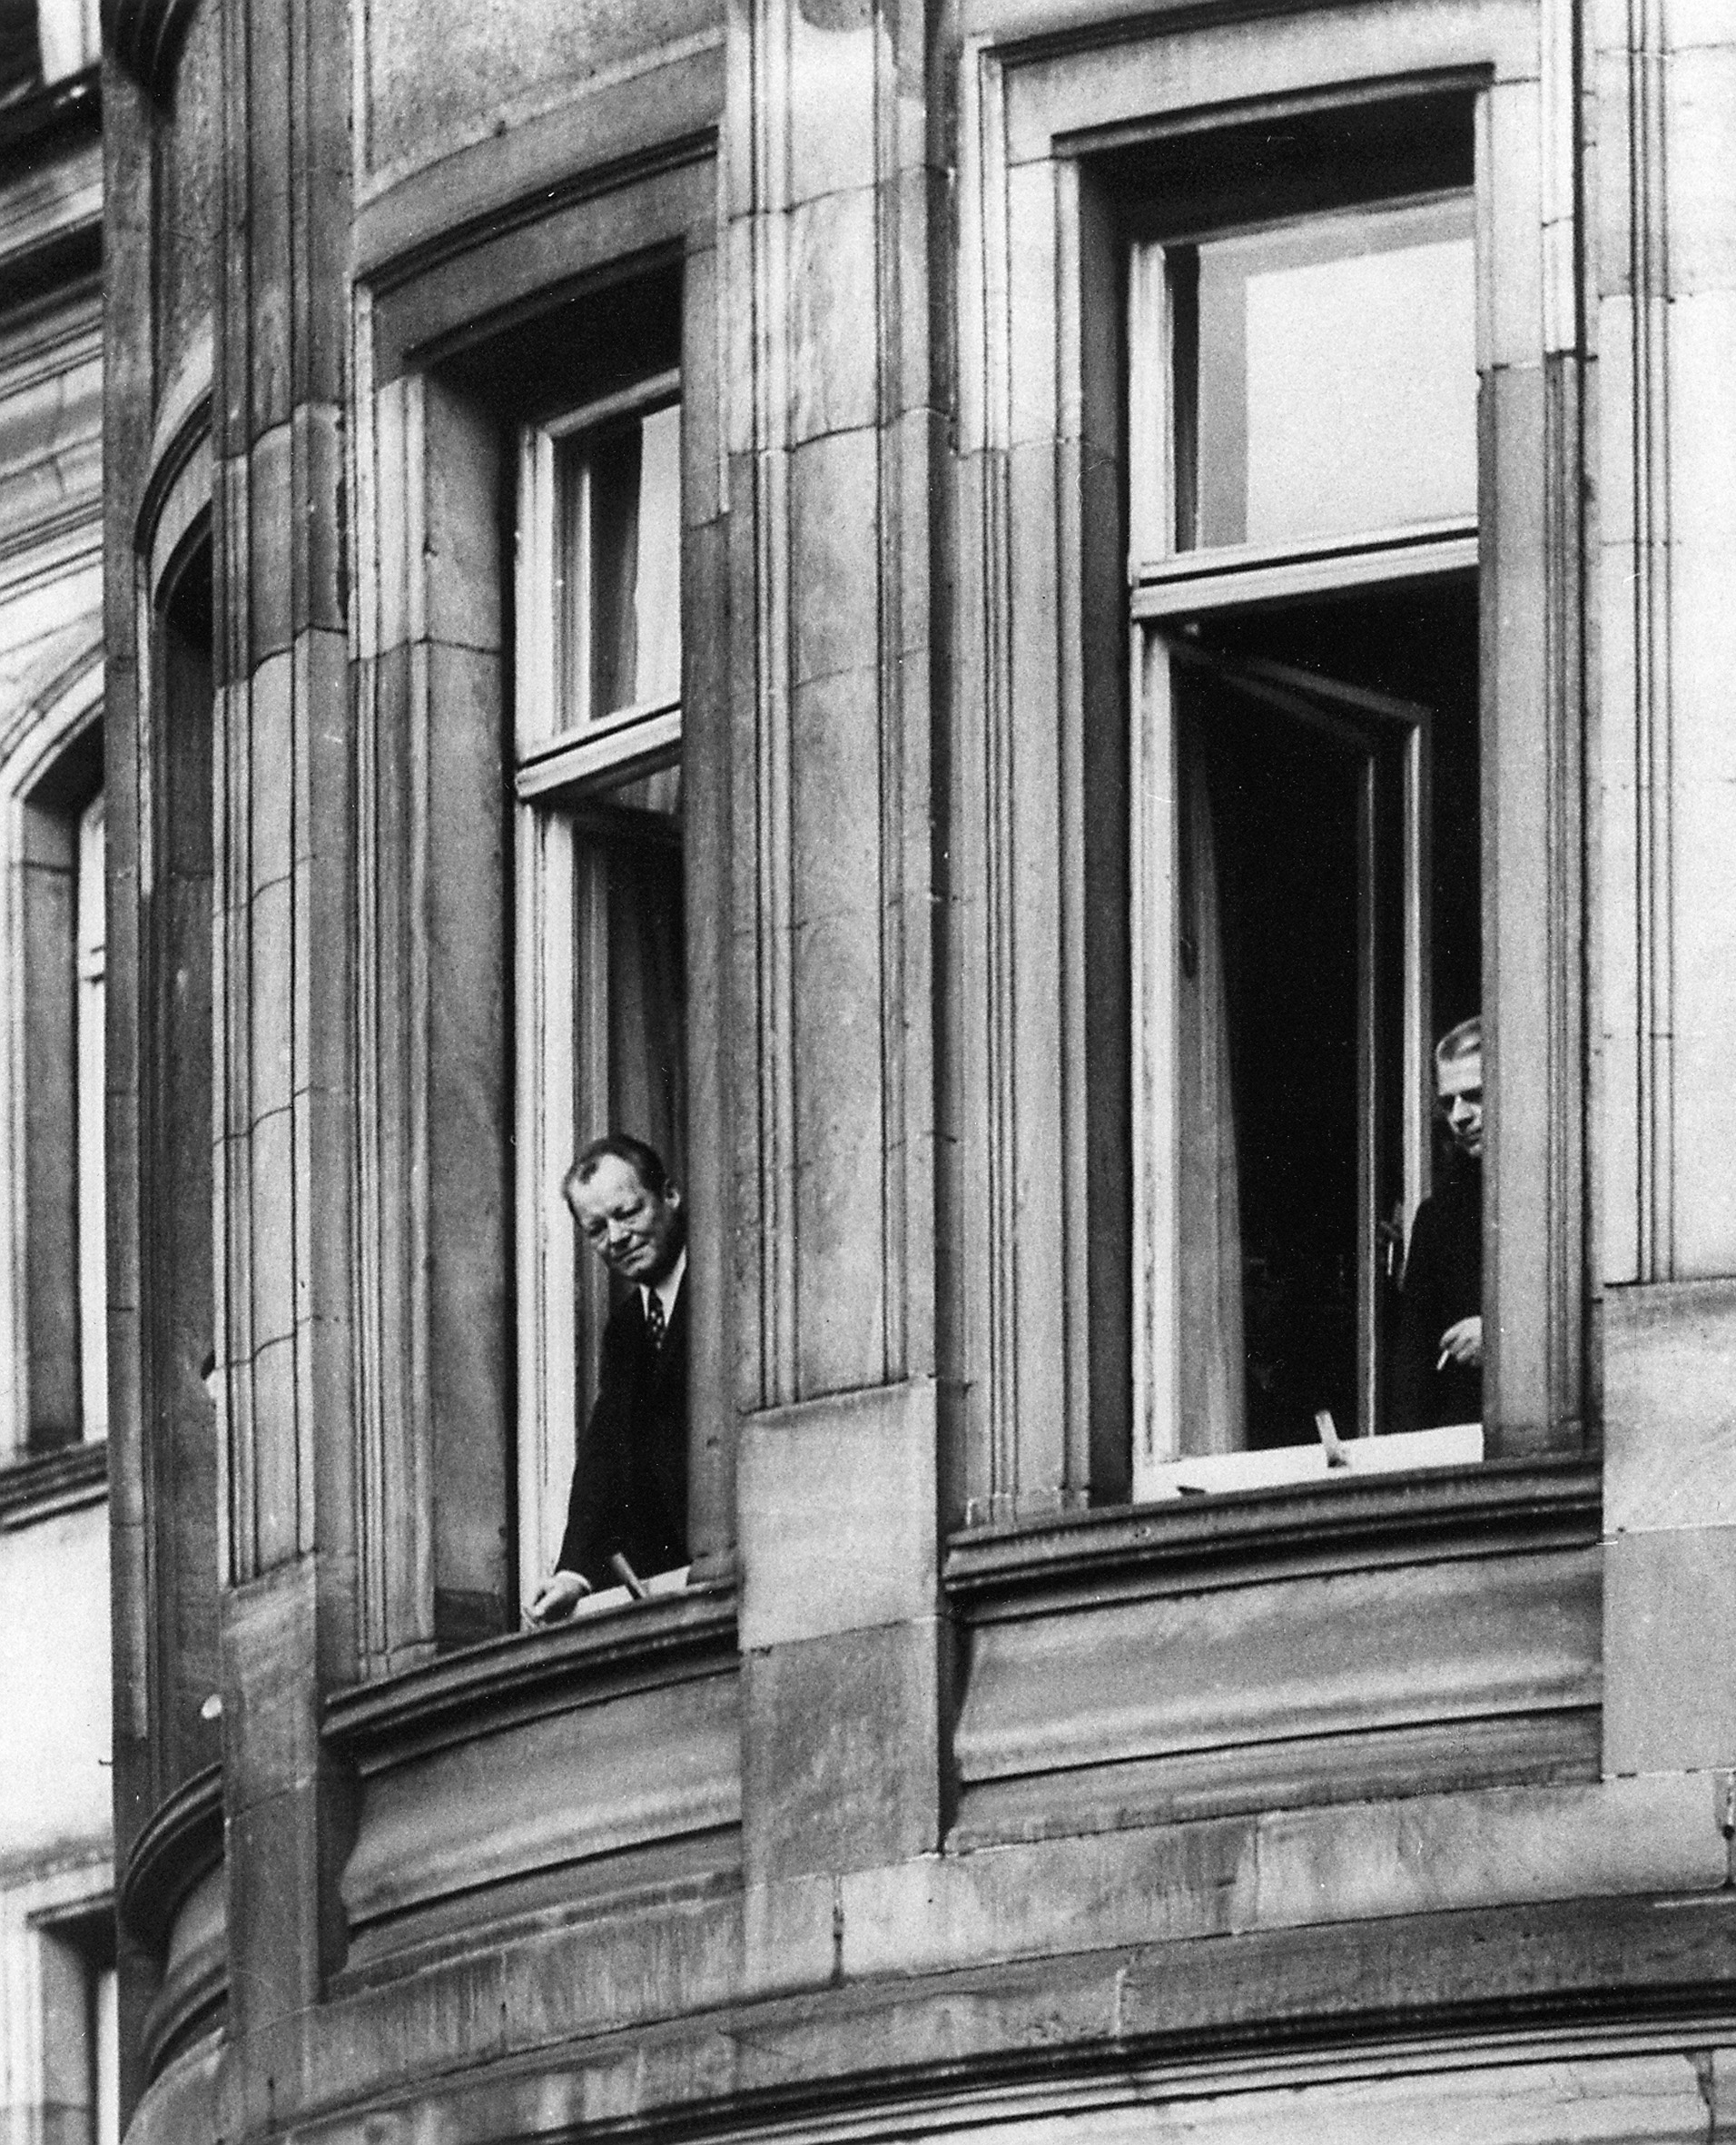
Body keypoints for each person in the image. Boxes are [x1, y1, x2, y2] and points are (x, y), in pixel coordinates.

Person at [527, 1133, 689, 1624]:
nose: (616, 1238)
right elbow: (605, 1455)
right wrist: (572, 1575)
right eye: (596, 1229)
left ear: (670, 1195)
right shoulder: (626, 1328)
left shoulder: (723, 1286)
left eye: (628, 1213)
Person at [1393, 1016, 1484, 1431]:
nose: (1459, 1116)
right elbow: (1412, 1364)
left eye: (1475, 1096)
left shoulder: (1560, 1198)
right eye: (1448, 1103)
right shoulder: (1436, 1219)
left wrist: (1500, 1338)